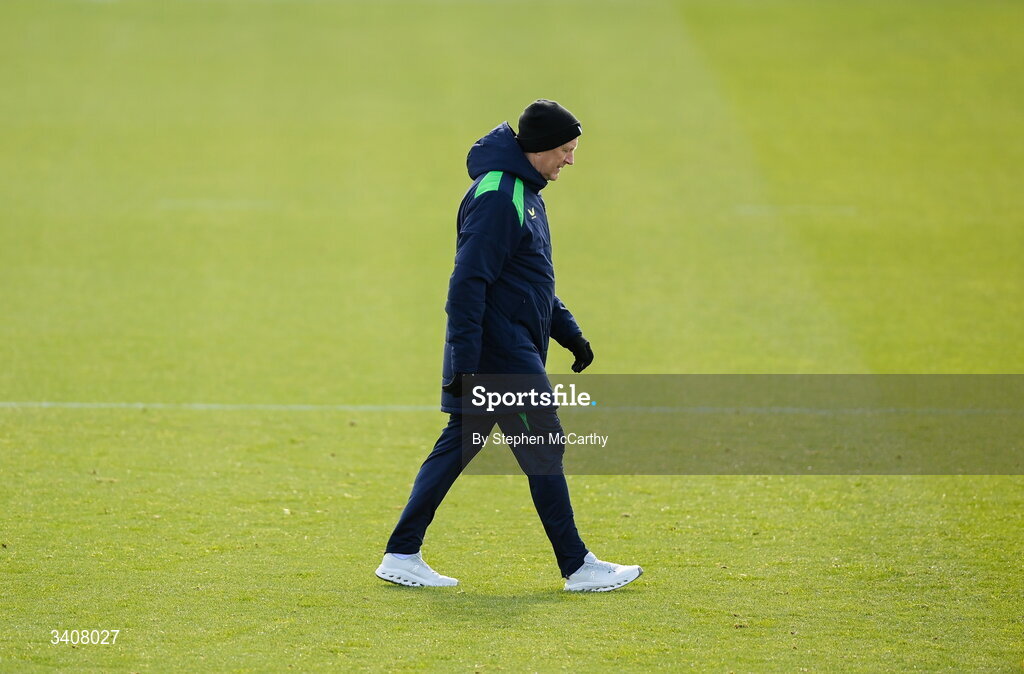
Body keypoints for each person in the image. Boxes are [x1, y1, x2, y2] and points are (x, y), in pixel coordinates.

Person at [375, 100, 642, 592]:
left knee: (460, 443)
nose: (570, 160)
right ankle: (577, 566)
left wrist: (569, 333)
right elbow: (467, 283)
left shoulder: (524, 192)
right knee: (544, 445)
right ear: (538, 148)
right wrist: (468, 362)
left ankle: (402, 551)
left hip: (507, 346)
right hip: (499, 354)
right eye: (565, 150)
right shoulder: (502, 196)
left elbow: (529, 279)